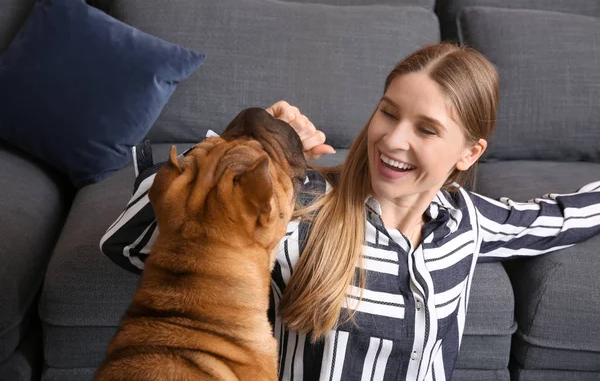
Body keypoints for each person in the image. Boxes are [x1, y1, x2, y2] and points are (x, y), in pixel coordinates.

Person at [100, 43, 600, 381]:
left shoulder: (465, 220)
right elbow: (127, 243)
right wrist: (245, 141)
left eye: (426, 129)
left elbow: (555, 217)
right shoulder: (300, 207)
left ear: (469, 153)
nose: (394, 139)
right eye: (388, 111)